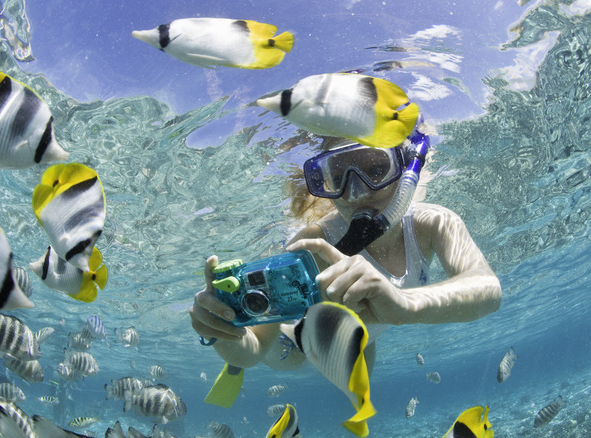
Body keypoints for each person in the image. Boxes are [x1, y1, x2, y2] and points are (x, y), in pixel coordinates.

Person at [189, 121, 502, 374]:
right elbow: (253, 351)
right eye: (339, 176)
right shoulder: (312, 245)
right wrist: (224, 332)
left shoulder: (435, 223)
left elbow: (487, 288)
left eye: (376, 169)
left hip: (362, 338)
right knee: (294, 360)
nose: (356, 192)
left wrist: (404, 304)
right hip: (299, 344)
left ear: (405, 172)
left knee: (362, 373)